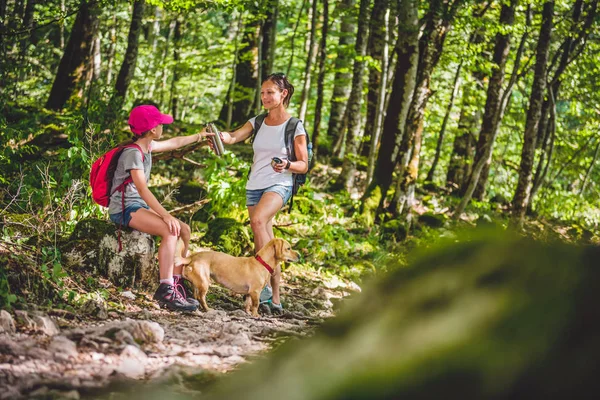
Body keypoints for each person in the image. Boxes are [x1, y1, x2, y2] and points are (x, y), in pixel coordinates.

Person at [206, 73, 309, 314]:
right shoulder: (258, 121)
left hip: (279, 184)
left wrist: (287, 165)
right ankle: (275, 298)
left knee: (258, 220)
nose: (264, 97)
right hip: (255, 186)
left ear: (283, 94)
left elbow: (303, 164)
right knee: (267, 246)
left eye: (270, 92)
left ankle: (260, 291)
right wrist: (220, 137)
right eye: (262, 93)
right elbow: (233, 137)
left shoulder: (295, 126)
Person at [109, 104, 209, 312]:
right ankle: (165, 289)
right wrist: (166, 215)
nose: (164, 126)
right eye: (161, 123)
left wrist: (199, 136)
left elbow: (175, 143)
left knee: (184, 230)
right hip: (124, 208)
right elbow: (143, 189)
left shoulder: (148, 146)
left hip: (138, 205)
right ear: (153, 130)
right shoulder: (133, 154)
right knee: (170, 229)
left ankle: (177, 282)